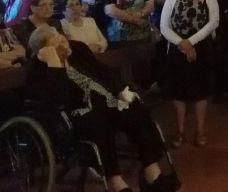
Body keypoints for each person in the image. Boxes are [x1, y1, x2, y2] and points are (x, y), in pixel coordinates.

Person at [26, 26, 179, 192]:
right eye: (56, 43)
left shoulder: (77, 49)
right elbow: (58, 99)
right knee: (98, 121)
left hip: (105, 102)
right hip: (75, 114)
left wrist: (120, 90)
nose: (63, 43)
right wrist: (55, 64)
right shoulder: (39, 68)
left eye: (60, 37)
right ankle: (116, 182)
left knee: (135, 109)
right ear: (45, 51)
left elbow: (103, 71)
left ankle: (152, 173)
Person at [159, 0, 219, 148]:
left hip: (202, 48)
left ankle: (201, 130)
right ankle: (180, 131)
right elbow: (164, 27)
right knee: (179, 92)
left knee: (201, 92)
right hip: (178, 50)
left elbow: (213, 22)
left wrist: (190, 42)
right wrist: (182, 44)